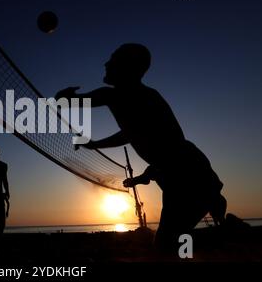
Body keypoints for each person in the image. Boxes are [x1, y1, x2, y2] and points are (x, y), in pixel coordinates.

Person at [56, 43, 227, 252]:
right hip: (182, 170)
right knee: (172, 241)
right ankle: (220, 216)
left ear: (128, 67)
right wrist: (94, 144)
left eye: (113, 59)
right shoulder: (134, 97)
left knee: (168, 244)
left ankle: (226, 224)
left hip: (186, 173)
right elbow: (134, 134)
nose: (106, 63)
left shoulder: (125, 96)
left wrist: (63, 97)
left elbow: (71, 104)